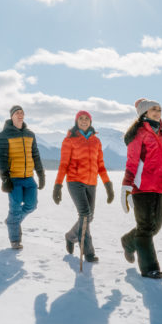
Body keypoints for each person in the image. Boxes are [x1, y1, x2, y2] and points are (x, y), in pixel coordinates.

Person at [120, 98, 162, 279]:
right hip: (141, 187)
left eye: (159, 109)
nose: (157, 112)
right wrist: (126, 186)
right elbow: (132, 162)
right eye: (153, 109)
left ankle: (128, 241)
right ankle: (150, 268)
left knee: (156, 225)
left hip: (158, 186)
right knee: (146, 227)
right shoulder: (139, 133)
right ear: (144, 113)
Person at [53, 111, 114, 262]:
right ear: (76, 121)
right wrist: (58, 185)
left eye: (87, 119)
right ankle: (88, 251)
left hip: (92, 183)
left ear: (91, 122)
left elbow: (100, 165)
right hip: (75, 181)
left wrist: (108, 184)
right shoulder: (70, 140)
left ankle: (70, 236)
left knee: (89, 216)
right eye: (81, 118)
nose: (84, 121)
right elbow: (63, 164)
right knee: (85, 214)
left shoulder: (96, 141)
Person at [0, 105, 45, 249]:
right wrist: (5, 178)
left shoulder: (30, 134)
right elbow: (2, 158)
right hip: (14, 178)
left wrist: (41, 175)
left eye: (22, 113)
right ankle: (15, 240)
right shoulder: (4, 135)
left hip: (29, 177)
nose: (20, 115)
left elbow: (35, 155)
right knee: (15, 208)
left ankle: (12, 222)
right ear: (11, 116)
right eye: (17, 113)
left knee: (32, 205)